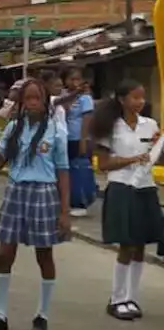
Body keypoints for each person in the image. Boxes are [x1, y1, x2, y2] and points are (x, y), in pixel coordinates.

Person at [0, 78, 69, 330]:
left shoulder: (55, 130)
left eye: (37, 98)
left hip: (44, 193)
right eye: (28, 98)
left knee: (44, 256)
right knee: (5, 254)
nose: (33, 103)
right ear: (22, 102)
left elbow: (63, 170)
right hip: (16, 192)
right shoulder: (14, 128)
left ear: (45, 100)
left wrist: (64, 210)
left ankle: (42, 315)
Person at [90, 79, 162, 321]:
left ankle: (132, 298)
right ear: (122, 99)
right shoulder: (110, 126)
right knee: (126, 244)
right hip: (122, 187)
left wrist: (158, 146)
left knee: (141, 244)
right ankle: (117, 298)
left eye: (142, 97)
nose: (140, 102)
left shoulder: (150, 125)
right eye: (135, 97)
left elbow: (155, 158)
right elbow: (104, 164)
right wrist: (133, 160)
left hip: (145, 188)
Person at [62, 67, 97, 217]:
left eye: (78, 79)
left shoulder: (85, 98)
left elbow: (87, 120)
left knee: (80, 171)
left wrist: (83, 141)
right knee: (67, 171)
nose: (75, 82)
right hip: (65, 138)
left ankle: (81, 202)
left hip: (79, 138)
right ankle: (68, 201)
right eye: (72, 79)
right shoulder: (64, 97)